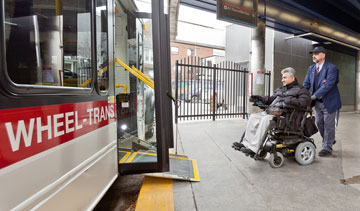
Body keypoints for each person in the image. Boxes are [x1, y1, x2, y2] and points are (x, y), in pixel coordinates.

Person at [233, 67, 311, 157]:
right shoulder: (281, 89)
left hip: (287, 116)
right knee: (253, 117)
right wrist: (260, 98)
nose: (282, 80)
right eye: (282, 78)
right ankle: (246, 144)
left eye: (285, 77)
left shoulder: (301, 90)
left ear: (292, 78)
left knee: (266, 119)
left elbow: (304, 103)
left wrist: (289, 101)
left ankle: (253, 149)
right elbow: (271, 99)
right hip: (273, 112)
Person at [303, 46, 341, 157]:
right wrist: (300, 93)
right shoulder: (311, 69)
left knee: (329, 125)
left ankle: (327, 148)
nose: (313, 55)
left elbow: (328, 85)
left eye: (316, 53)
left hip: (330, 102)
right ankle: (329, 139)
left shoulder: (331, 68)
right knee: (319, 122)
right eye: (313, 54)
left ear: (323, 55)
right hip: (318, 103)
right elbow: (306, 84)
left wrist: (314, 96)